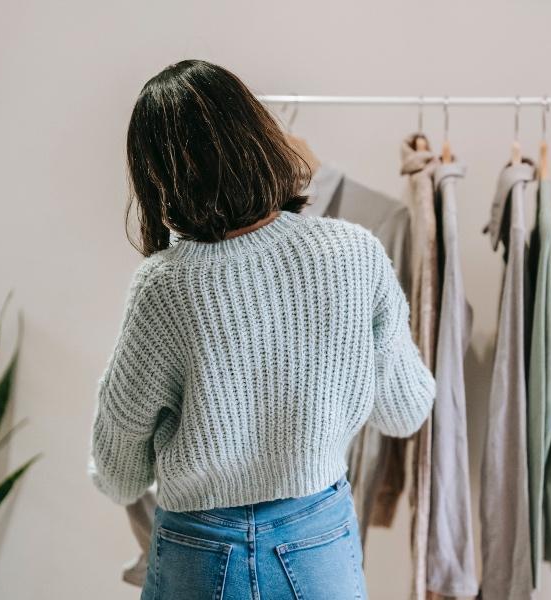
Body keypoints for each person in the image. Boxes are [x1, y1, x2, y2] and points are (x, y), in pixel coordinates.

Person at [87, 59, 435, 600]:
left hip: (197, 551)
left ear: (156, 177)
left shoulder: (164, 286)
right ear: (259, 137)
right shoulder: (355, 253)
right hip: (317, 541)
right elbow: (406, 410)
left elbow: (119, 474)